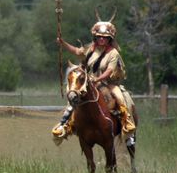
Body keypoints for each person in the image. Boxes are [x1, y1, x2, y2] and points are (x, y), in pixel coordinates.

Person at [52, 16, 136, 144]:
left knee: (121, 98)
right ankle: (64, 126)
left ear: (110, 39)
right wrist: (63, 43)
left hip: (108, 84)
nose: (101, 39)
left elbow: (109, 71)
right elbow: (77, 51)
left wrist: (98, 79)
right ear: (95, 37)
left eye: (105, 37)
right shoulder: (91, 48)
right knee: (74, 98)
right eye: (99, 36)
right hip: (89, 82)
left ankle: (128, 128)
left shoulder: (113, 53)